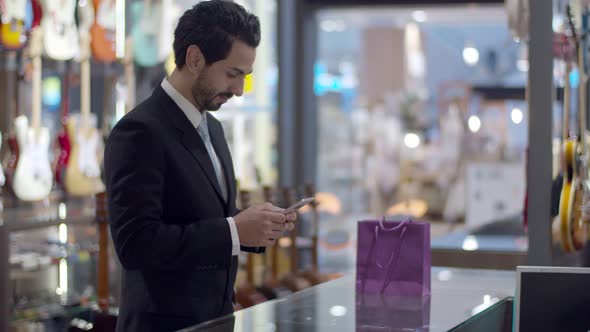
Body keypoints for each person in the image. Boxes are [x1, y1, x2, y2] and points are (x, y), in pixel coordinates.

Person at [104, 1, 296, 331]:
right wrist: (234, 231)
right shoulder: (139, 131)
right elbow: (136, 245)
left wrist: (255, 227)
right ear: (194, 59)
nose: (239, 90)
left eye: (246, 77)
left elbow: (201, 216)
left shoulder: (214, 129)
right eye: (233, 74)